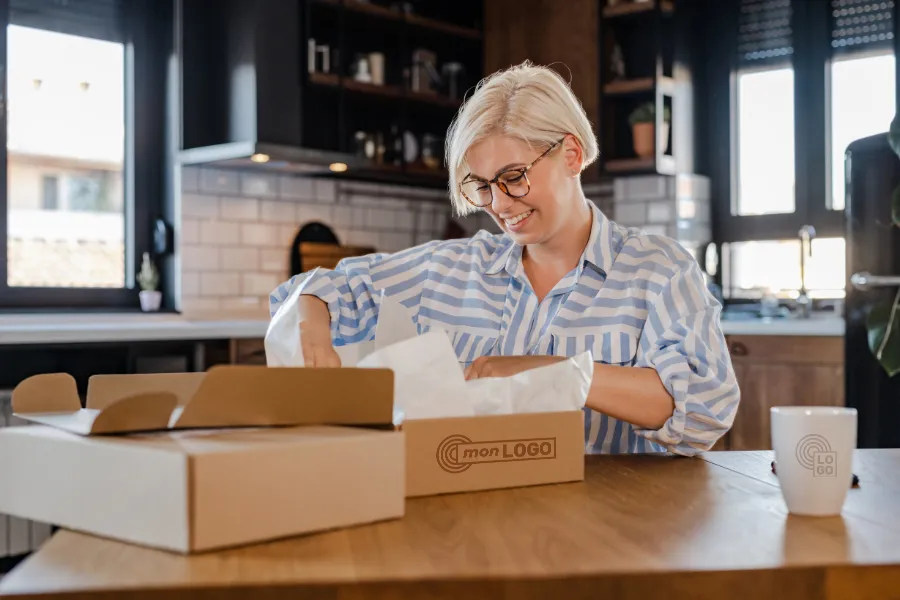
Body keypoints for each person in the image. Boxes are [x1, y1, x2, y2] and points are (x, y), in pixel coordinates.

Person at [269, 61, 740, 456]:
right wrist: (312, 330)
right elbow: (312, 290)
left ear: (571, 154)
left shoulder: (657, 270)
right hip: (466, 526)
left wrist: (550, 371)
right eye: (481, 185)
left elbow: (704, 406)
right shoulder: (452, 267)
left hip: (608, 532)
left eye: (513, 176)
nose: (498, 204)